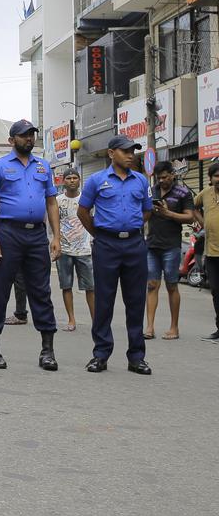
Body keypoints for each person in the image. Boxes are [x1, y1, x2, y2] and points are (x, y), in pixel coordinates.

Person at [0, 120, 61, 371]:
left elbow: (51, 203)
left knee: (41, 291)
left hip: (37, 236)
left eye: (32, 135)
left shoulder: (43, 166)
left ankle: (47, 350)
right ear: (11, 140)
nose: (29, 139)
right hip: (8, 234)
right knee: (0, 289)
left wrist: (56, 237)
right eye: (24, 135)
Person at [76, 135, 153, 375]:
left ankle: (136, 357)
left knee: (135, 301)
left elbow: (147, 212)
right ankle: (100, 354)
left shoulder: (141, 180)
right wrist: (100, 233)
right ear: (111, 153)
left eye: (133, 151)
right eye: (125, 151)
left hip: (134, 245)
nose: (131, 155)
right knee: (104, 301)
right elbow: (83, 212)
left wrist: (129, 229)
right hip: (106, 245)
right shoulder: (97, 180)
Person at [144, 160, 193, 341]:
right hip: (152, 245)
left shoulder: (183, 193)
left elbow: (189, 217)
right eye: (159, 178)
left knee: (172, 285)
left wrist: (169, 214)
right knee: (151, 286)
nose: (162, 181)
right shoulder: (152, 190)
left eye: (165, 177)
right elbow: (143, 213)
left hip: (171, 247)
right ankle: (149, 327)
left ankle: (174, 327)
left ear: (172, 174)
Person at [54, 169, 94, 331]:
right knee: (66, 286)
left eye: (75, 178)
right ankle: (71, 319)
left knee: (90, 287)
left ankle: (95, 320)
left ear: (79, 180)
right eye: (68, 178)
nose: (72, 181)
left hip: (85, 249)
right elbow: (52, 223)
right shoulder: (57, 201)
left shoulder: (87, 199)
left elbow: (94, 220)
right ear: (63, 181)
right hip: (64, 249)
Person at [192, 162, 219, 342]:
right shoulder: (206, 194)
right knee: (216, 292)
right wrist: (202, 222)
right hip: (212, 252)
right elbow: (192, 206)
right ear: (210, 178)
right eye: (216, 176)